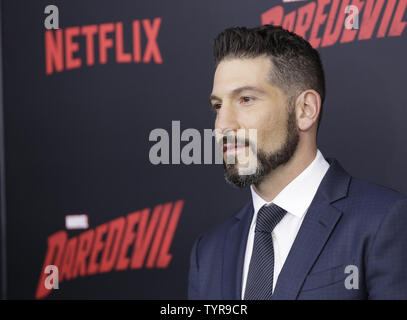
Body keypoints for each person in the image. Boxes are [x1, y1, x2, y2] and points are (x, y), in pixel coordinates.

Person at [188, 24, 407, 300]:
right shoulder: (208, 252)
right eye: (218, 106)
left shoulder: (383, 222)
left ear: (305, 110)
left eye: (246, 99)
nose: (222, 125)